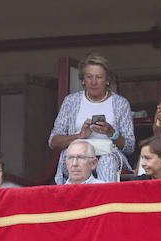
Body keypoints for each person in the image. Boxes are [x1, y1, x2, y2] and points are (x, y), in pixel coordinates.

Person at [50, 53, 135, 184]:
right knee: (78, 160)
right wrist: (79, 136)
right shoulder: (71, 101)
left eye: (99, 77)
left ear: (107, 80)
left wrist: (111, 133)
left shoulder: (120, 103)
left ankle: (105, 202)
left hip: (110, 155)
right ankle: (77, 203)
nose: (94, 82)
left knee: (107, 162)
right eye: (89, 77)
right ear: (83, 80)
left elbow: (129, 147)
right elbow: (53, 142)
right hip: (77, 154)